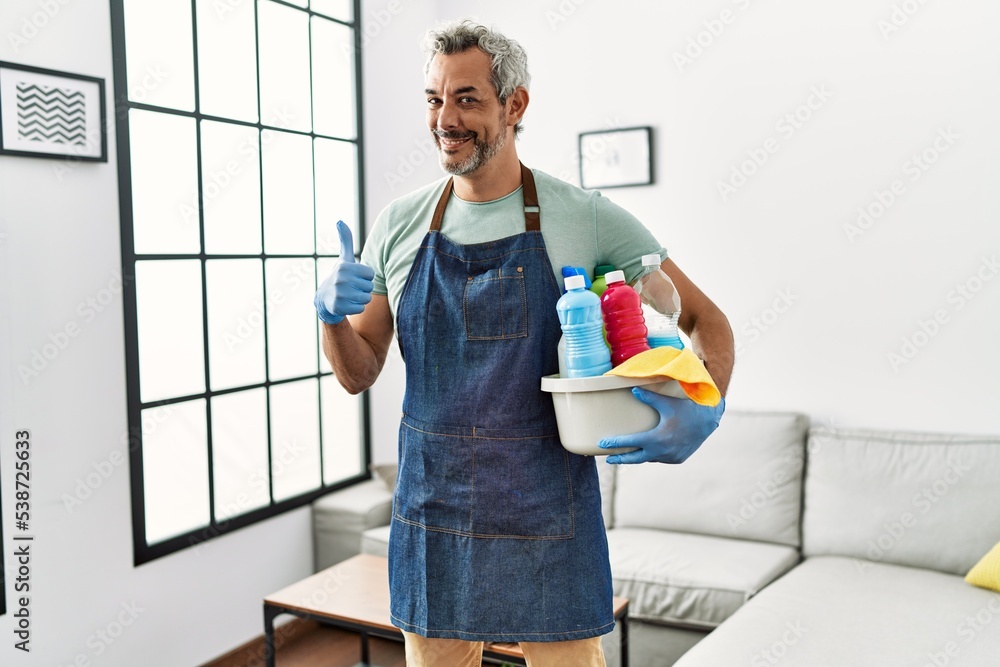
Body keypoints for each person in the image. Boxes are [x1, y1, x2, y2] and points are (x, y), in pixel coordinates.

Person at [315, 19, 734, 667]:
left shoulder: (585, 217)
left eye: (467, 99)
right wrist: (330, 319)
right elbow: (357, 372)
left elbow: (707, 319)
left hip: (548, 516)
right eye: (434, 98)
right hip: (436, 515)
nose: (445, 119)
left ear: (515, 105)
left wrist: (707, 403)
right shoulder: (398, 225)